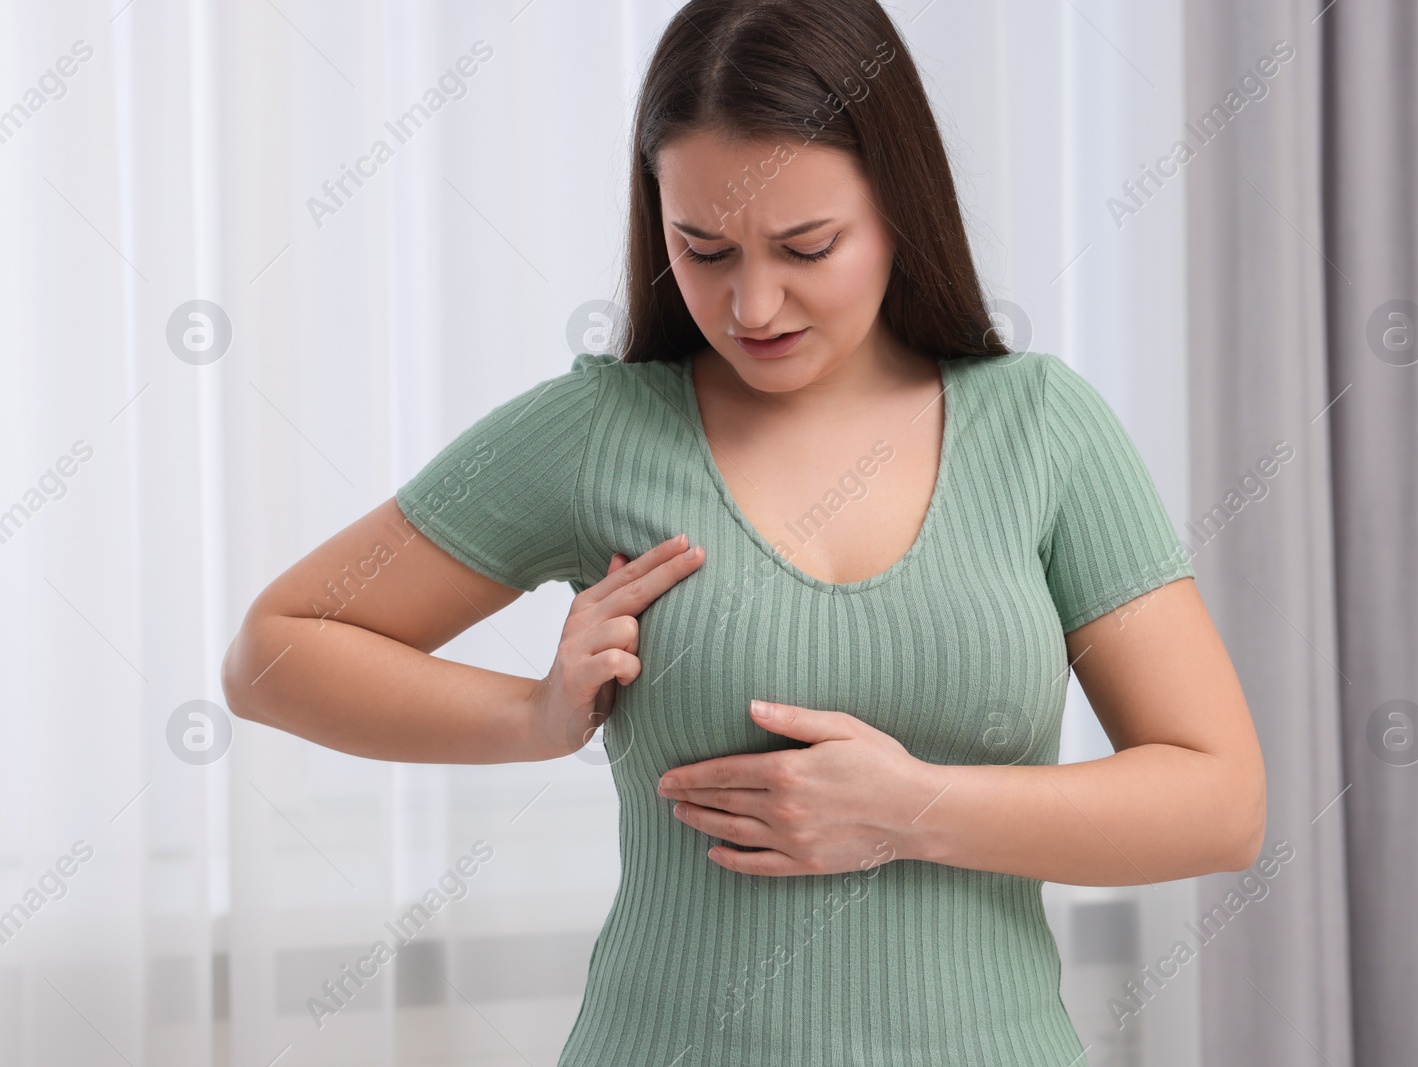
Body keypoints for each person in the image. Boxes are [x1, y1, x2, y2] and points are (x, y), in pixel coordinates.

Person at [221, 0, 1266, 1062]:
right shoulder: (597, 432)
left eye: (807, 246)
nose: (753, 304)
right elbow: (275, 653)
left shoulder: (1042, 428)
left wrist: (912, 808)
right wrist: (535, 714)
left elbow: (1221, 800)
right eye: (703, 248)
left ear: (900, 208)